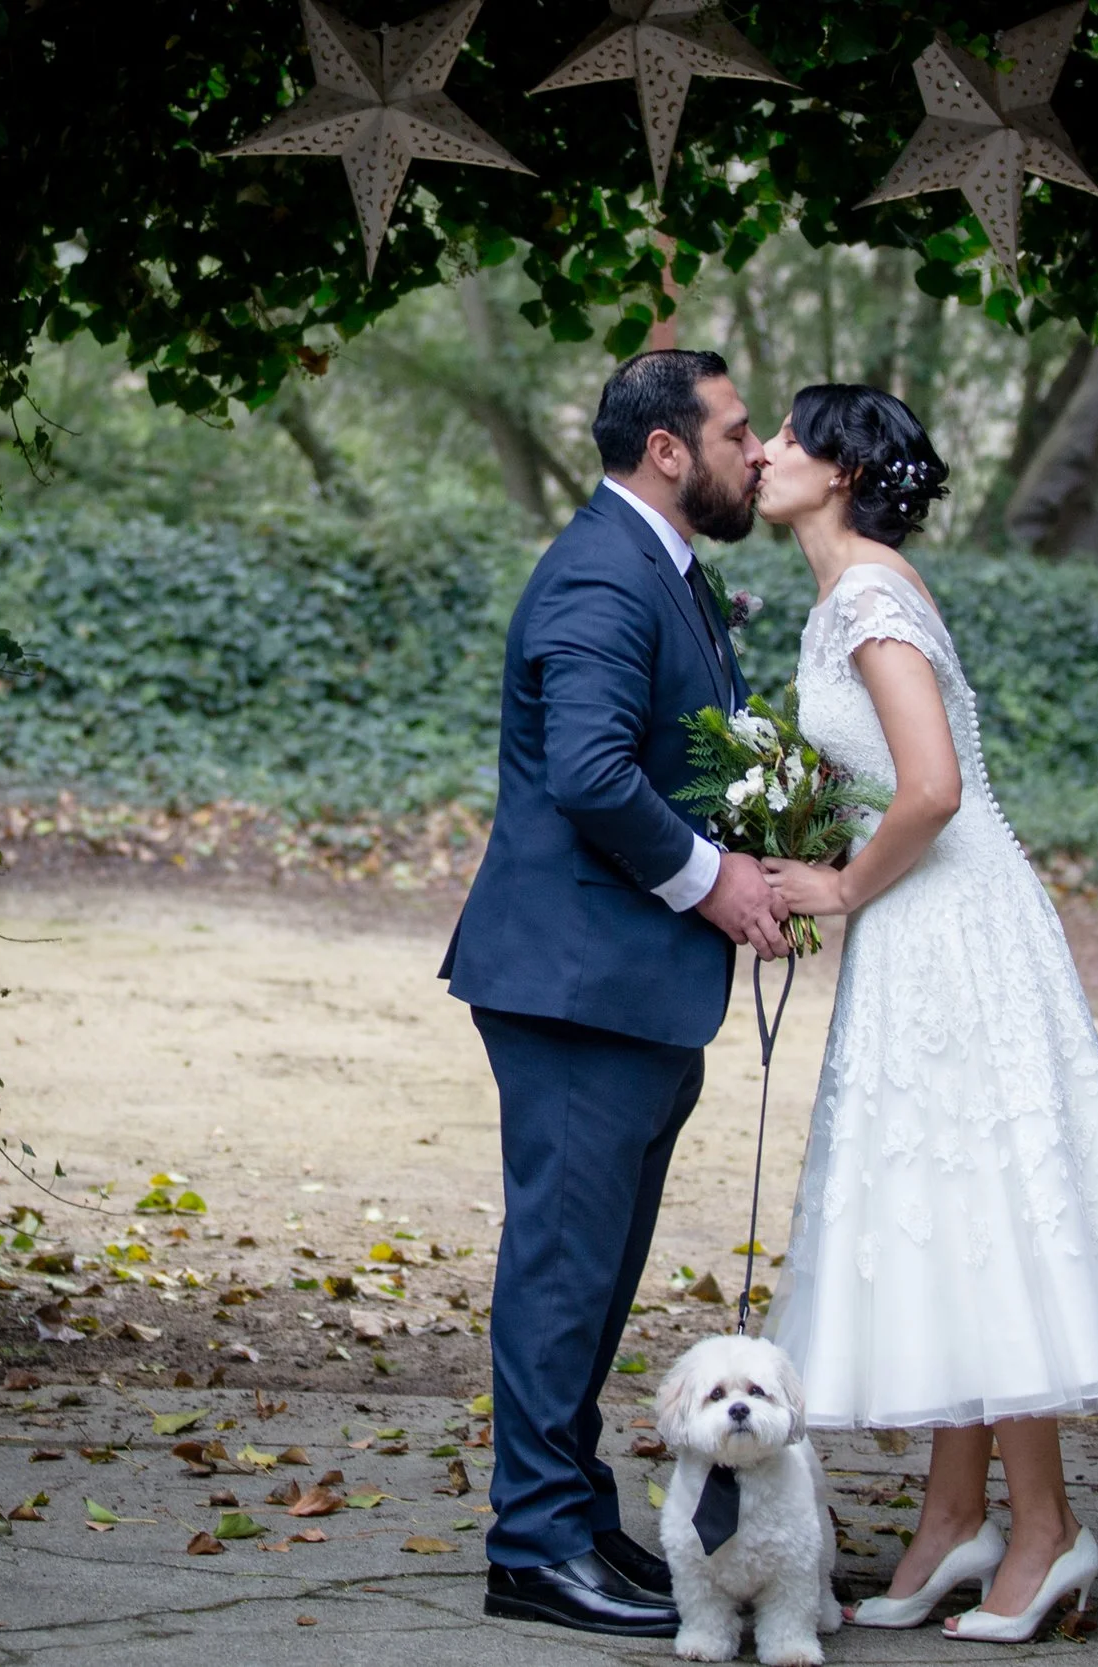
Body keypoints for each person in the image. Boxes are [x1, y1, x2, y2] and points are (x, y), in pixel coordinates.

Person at [753, 384, 1098, 1643]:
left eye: (791, 438)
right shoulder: (845, 589)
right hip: (922, 931)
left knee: (991, 1211)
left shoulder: (868, 596)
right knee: (948, 1212)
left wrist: (840, 884)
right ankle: (953, 1518)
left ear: (841, 470)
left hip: (952, 927)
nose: (768, 452)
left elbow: (935, 787)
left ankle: (1048, 1526)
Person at [440, 349, 792, 1638]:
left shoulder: (663, 566)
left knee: (591, 1276)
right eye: (738, 431)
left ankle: (576, 1511)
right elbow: (589, 773)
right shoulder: (601, 569)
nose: (757, 452)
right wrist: (716, 884)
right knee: (560, 1273)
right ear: (666, 449)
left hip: (628, 986)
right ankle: (531, 1545)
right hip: (576, 984)